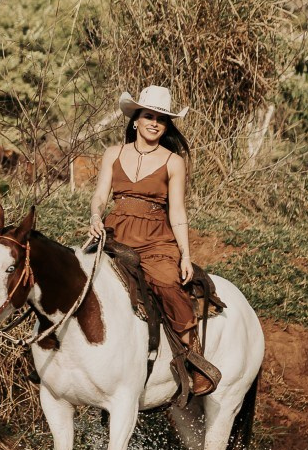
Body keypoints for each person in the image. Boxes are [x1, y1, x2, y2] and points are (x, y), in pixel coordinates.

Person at [87, 85, 218, 397]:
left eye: (161, 119)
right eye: (149, 116)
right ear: (136, 119)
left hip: (155, 238)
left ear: (166, 125)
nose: (154, 122)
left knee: (167, 281)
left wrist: (185, 254)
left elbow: (178, 213)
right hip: (115, 231)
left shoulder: (174, 162)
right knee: (77, 275)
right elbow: (100, 196)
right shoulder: (113, 154)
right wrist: (94, 218)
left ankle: (191, 353)